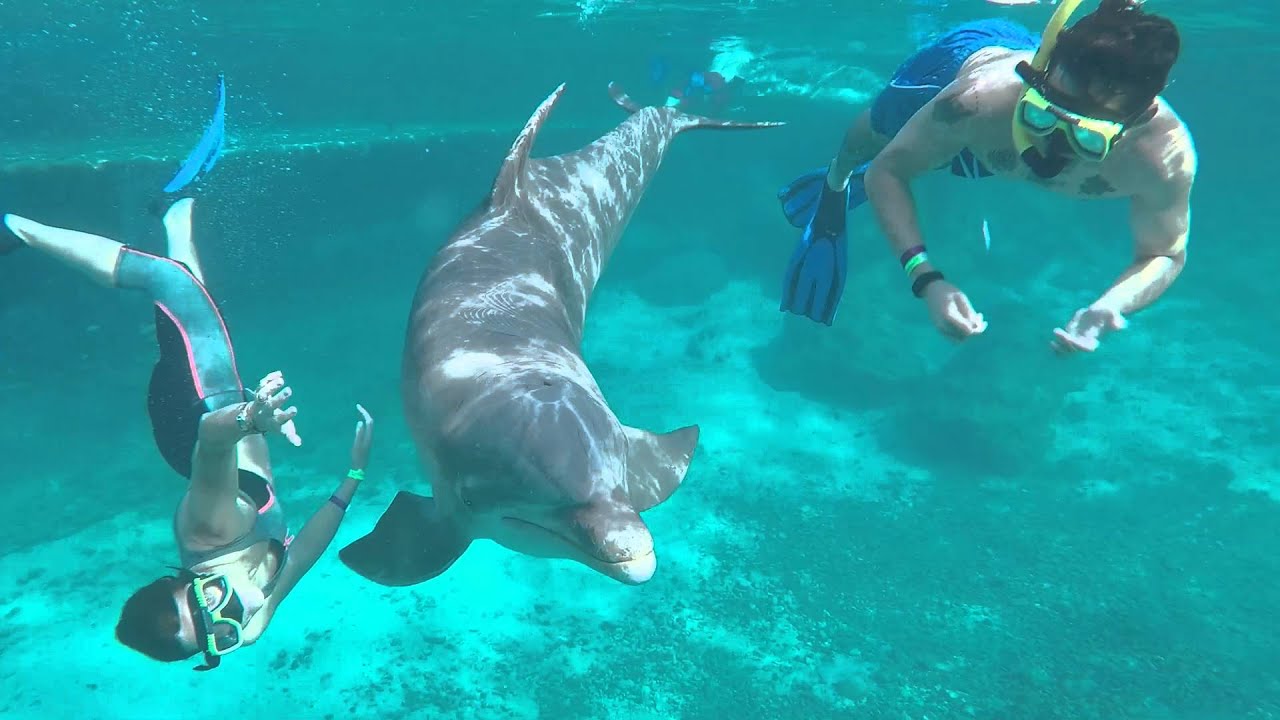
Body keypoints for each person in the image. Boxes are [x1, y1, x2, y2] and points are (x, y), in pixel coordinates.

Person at [2, 198, 375, 670]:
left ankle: (19, 229)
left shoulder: (208, 530)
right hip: (229, 418)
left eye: (211, 597)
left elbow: (214, 439)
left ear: (185, 580)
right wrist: (354, 475)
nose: (233, 611)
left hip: (192, 413)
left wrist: (251, 419)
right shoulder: (252, 625)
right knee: (194, 309)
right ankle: (176, 221)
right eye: (218, 634)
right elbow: (301, 556)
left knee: (172, 286)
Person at [777, 0, 1193, 355]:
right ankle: (837, 178)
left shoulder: (1162, 159)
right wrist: (925, 278)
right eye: (1038, 115)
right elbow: (889, 169)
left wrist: (1113, 305)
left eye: (1086, 138)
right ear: (1039, 76)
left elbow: (1166, 253)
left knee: (951, 156)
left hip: (985, 132)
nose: (1048, 147)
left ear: (1138, 121)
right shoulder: (975, 100)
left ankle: (942, 154)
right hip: (959, 63)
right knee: (879, 136)